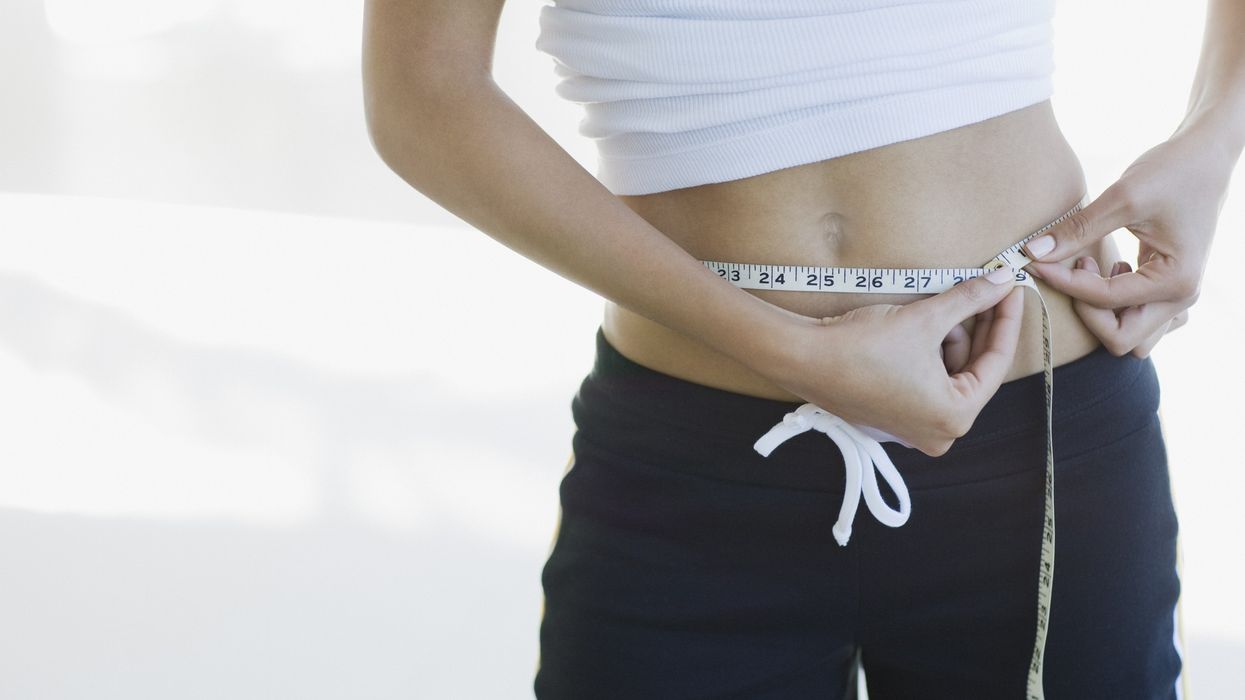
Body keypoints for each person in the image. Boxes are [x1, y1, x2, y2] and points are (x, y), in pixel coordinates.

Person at [362, 1, 1241, 697]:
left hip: (1036, 448)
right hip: (688, 474)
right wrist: (783, 349)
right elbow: (424, 89)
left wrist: (1212, 134)